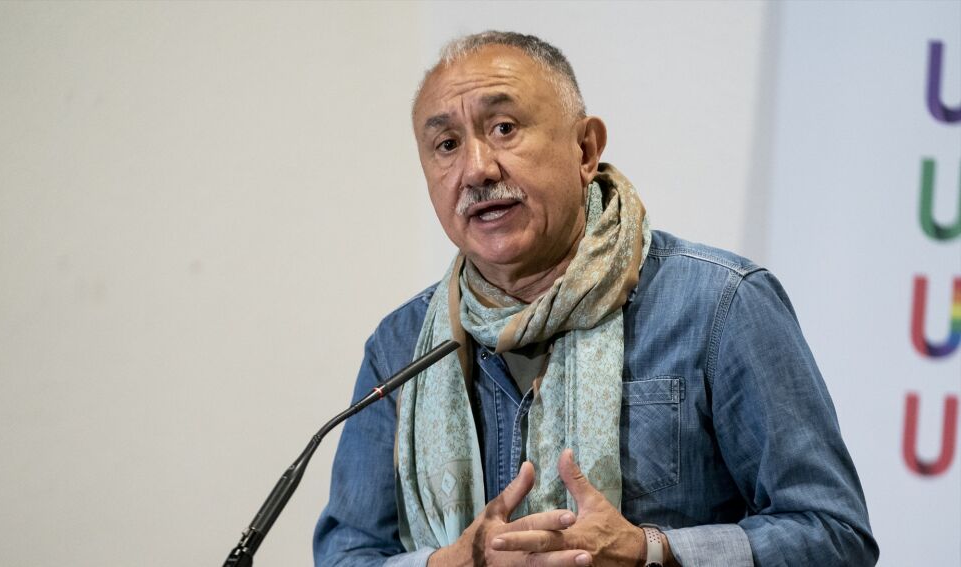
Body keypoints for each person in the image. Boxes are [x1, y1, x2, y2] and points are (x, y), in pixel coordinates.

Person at [313, 31, 878, 567]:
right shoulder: (401, 347)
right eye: (446, 145)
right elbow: (345, 552)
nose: (477, 169)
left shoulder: (720, 305)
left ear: (585, 149)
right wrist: (448, 562)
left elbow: (834, 534)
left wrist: (650, 552)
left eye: (504, 128)